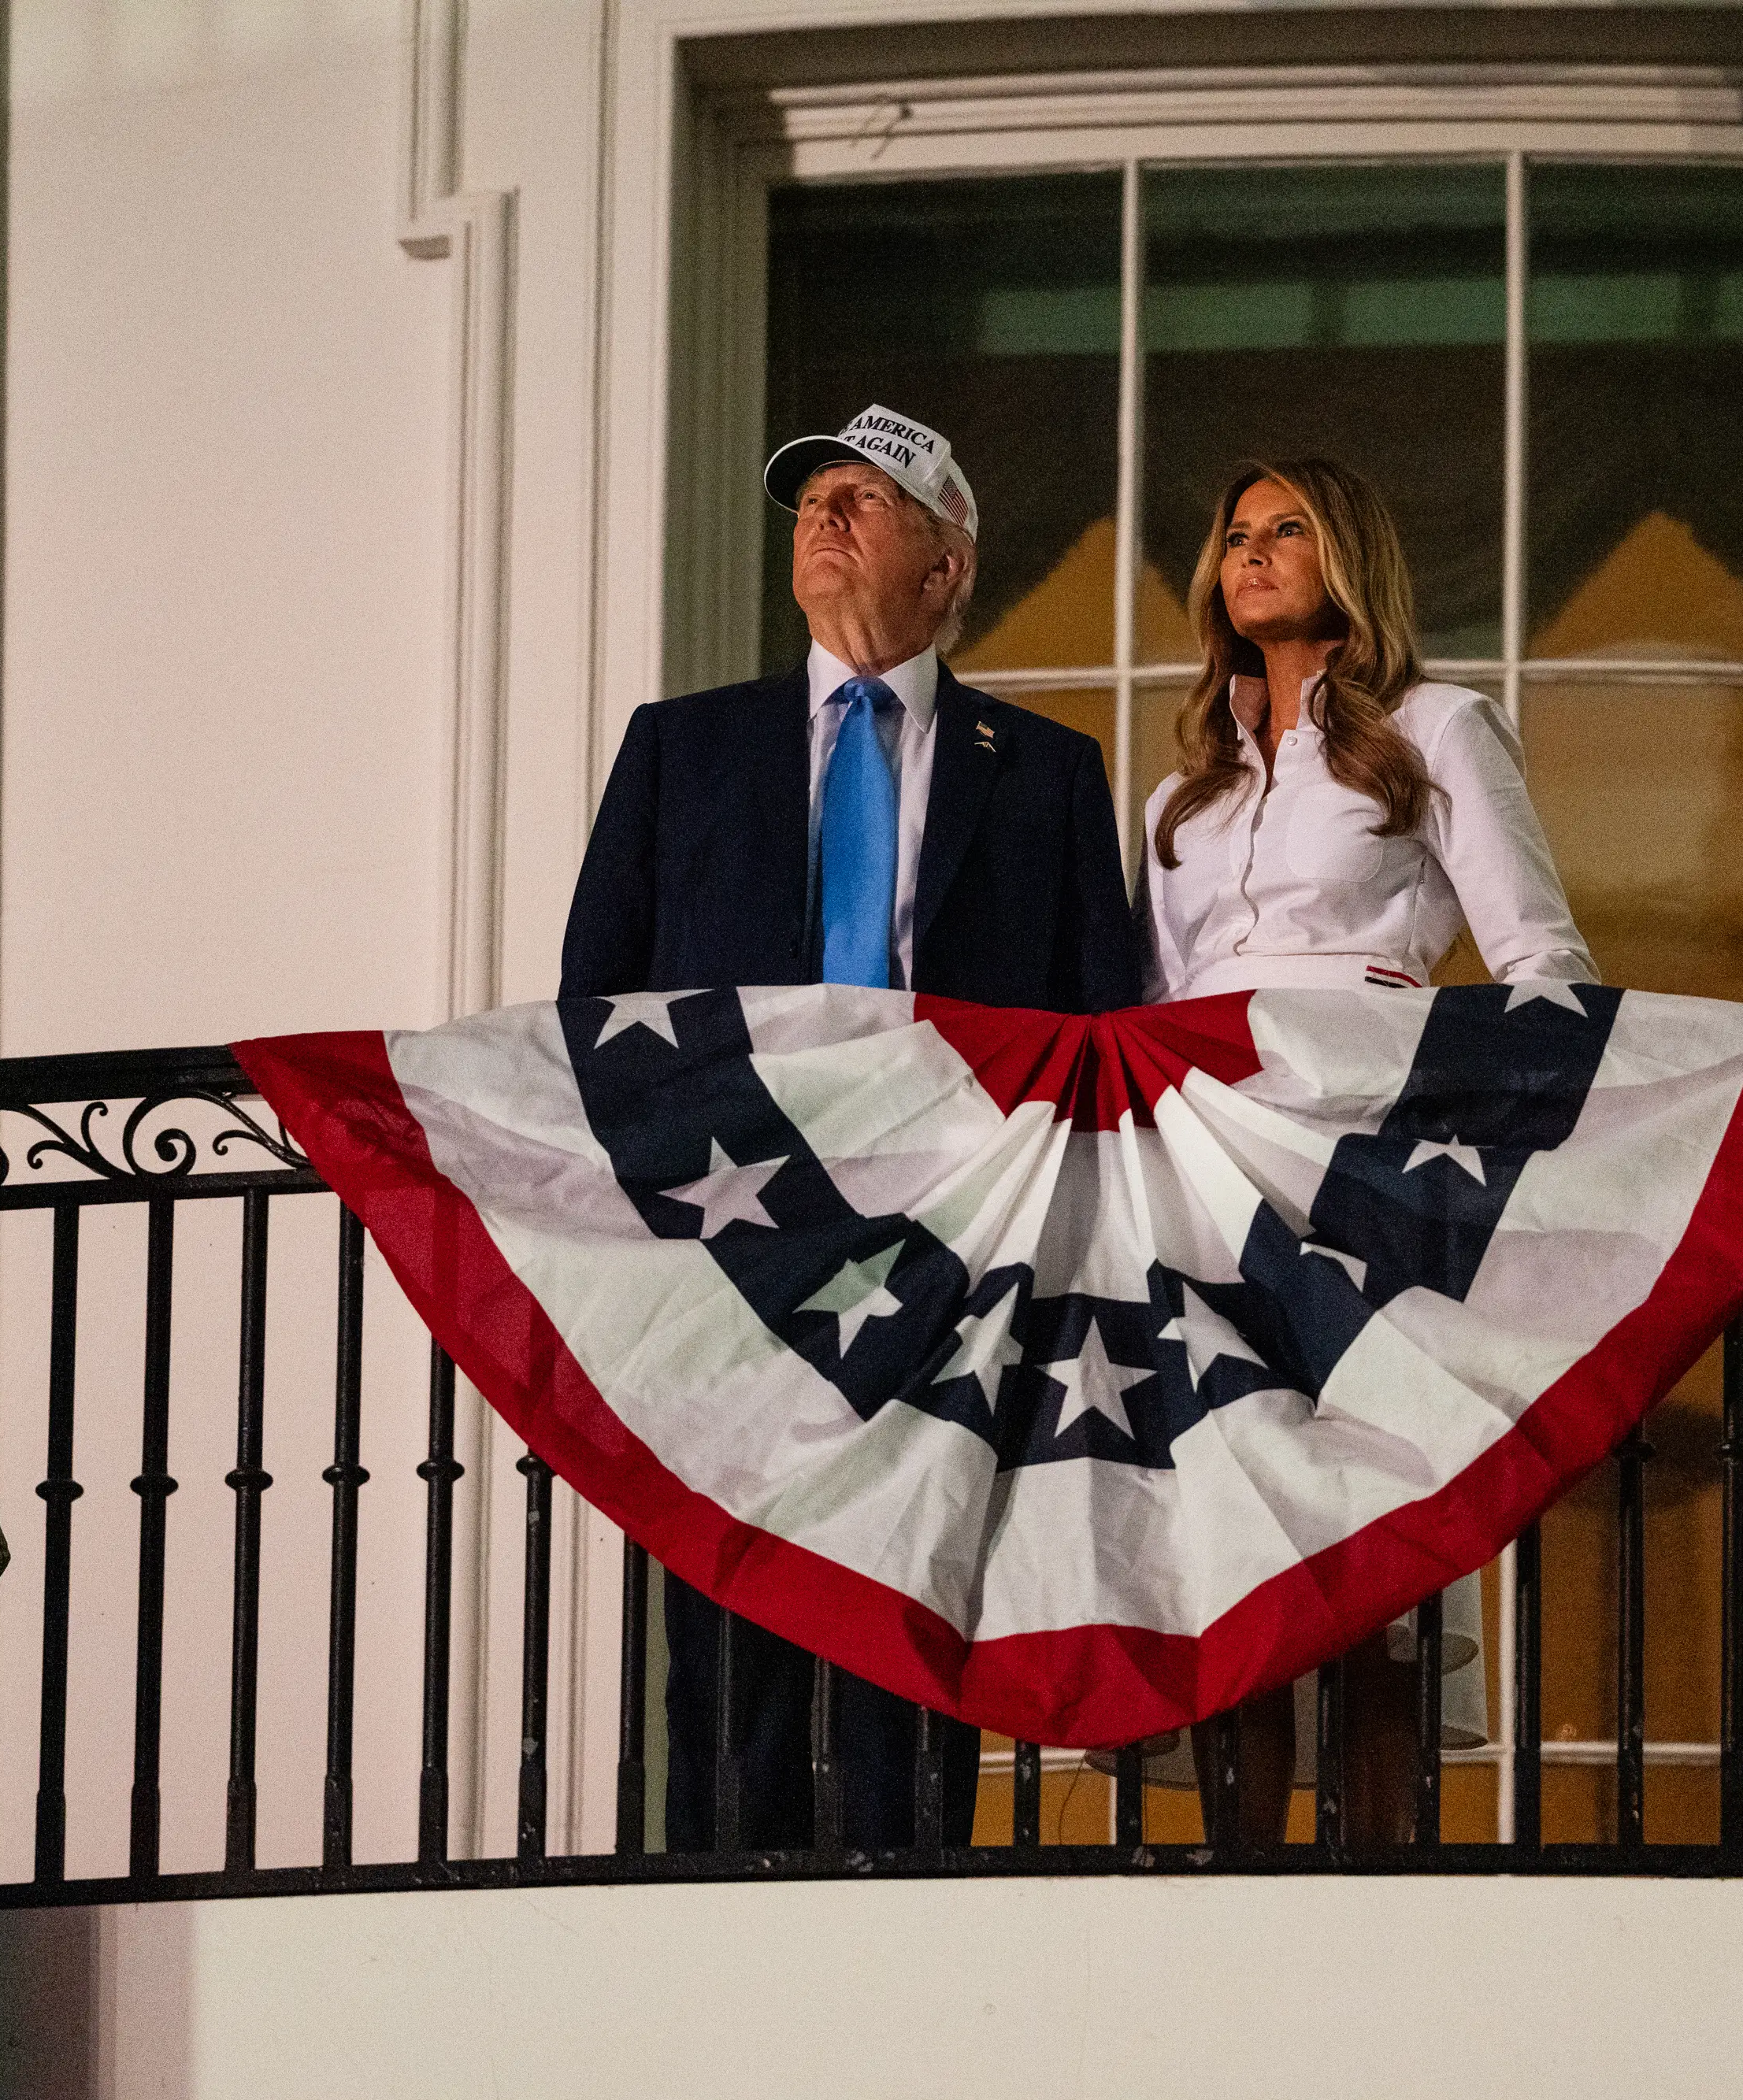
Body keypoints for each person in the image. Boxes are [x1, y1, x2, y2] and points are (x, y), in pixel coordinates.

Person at [562, 404, 1138, 1850]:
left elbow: (1097, 1021)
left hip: (953, 1232)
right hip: (736, 1226)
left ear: (946, 568)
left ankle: (915, 1900)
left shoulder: (1048, 772)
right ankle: (716, 1907)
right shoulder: (679, 748)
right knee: (724, 1604)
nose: (823, 514)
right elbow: (593, 1001)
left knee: (918, 1584)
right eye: (812, 496)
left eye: (865, 499)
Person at [1140, 457, 1594, 1841]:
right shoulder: (1180, 795)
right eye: (1236, 536)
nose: (1255, 553)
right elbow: (1153, 1009)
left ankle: (1379, 1900)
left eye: (1288, 530)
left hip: (1359, 1170)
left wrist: (1472, 1142)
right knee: (1231, 1524)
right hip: (1205, 1175)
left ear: (1348, 555)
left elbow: (1542, 963)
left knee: (1369, 1534)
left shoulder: (1441, 728)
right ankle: (1236, 1891)